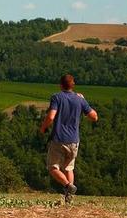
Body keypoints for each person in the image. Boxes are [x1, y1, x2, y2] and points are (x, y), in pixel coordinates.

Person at [40, 74, 98, 203]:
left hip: (59, 139)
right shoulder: (79, 99)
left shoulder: (57, 97)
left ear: (60, 85)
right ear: (73, 85)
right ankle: (69, 198)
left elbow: (50, 117)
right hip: (74, 140)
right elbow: (94, 117)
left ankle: (68, 186)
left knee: (52, 167)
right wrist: (84, 101)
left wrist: (43, 128)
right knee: (69, 168)